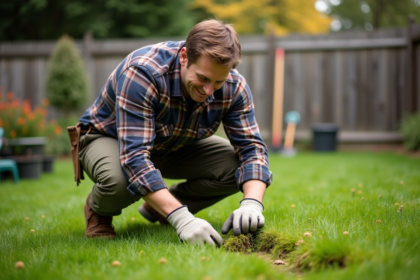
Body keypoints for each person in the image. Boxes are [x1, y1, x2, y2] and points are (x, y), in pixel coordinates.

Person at [73, 19, 272, 246]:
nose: (209, 91)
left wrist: (252, 203)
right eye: (203, 78)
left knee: (236, 168)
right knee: (120, 182)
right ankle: (99, 209)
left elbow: (252, 149)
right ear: (185, 56)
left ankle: (161, 207)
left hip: (172, 145)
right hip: (109, 138)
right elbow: (135, 159)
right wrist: (182, 219)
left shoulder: (234, 86)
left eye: (218, 82)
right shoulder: (142, 73)